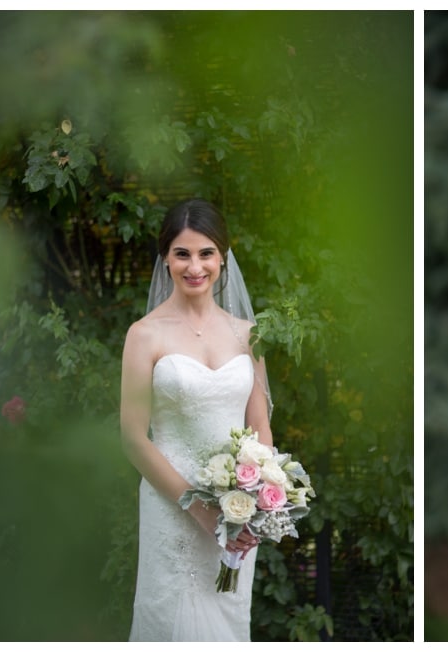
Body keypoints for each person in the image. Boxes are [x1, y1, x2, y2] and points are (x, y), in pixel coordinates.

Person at [120, 198, 273, 641]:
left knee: (225, 618)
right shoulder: (143, 335)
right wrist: (200, 508)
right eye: (182, 253)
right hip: (172, 505)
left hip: (237, 509)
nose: (195, 266)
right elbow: (133, 436)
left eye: (205, 253)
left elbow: (260, 426)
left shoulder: (249, 336)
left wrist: (256, 504)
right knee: (171, 619)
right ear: (165, 258)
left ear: (222, 258)